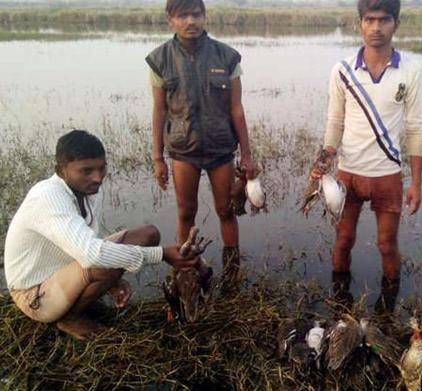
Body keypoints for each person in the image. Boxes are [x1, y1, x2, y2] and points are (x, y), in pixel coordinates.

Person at [3, 130, 199, 341]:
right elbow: (92, 255)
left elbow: (90, 243)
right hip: (34, 295)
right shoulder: (48, 196)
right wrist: (161, 255)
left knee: (149, 235)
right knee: (101, 261)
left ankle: (78, 300)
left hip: (64, 274)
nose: (97, 178)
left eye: (101, 168)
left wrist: (112, 282)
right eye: (86, 170)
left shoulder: (88, 190)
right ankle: (69, 318)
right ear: (61, 170)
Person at [311, 0, 422, 308]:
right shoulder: (343, 70)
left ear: (396, 23)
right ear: (359, 23)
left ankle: (387, 311)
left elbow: (414, 129)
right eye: (370, 19)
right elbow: (335, 122)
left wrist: (416, 182)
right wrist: (322, 163)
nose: (376, 27)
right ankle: (339, 306)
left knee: (387, 245)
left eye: (384, 20)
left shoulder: (410, 71)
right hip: (348, 175)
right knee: (343, 240)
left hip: (387, 176)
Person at [146, 0, 256, 282]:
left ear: (205, 17)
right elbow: (159, 110)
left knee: (226, 210)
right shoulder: (160, 59)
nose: (190, 21)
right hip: (183, 151)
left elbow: (237, 109)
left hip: (221, 149)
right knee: (186, 212)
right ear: (170, 19)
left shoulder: (226, 56)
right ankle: (187, 272)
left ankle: (232, 273)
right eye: (183, 15)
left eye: (196, 14)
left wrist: (247, 155)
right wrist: (158, 158)